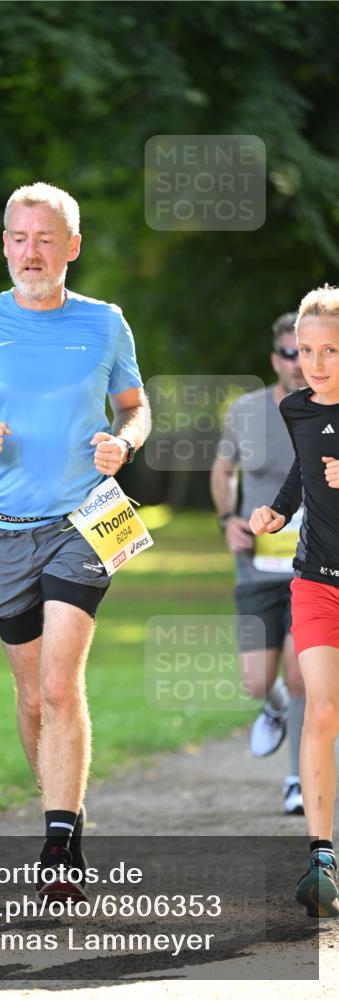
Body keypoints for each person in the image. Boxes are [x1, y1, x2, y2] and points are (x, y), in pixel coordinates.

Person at [0, 182, 149, 900]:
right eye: (18, 238)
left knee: (57, 679)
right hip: (0, 529)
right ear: (4, 244)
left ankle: (57, 844)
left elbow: (135, 409)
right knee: (29, 695)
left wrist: (123, 442)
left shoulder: (105, 324)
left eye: (44, 239)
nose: (29, 252)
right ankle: (66, 810)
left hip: (87, 520)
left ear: (71, 246)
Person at [249, 284, 339, 918]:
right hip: (316, 580)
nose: (317, 363)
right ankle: (322, 856)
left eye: (331, 350)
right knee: (321, 708)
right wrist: (278, 512)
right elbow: (303, 471)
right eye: (307, 350)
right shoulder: (296, 409)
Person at [211, 314, 307, 815]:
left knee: (300, 674)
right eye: (289, 353)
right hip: (257, 566)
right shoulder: (247, 412)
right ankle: (273, 710)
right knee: (258, 680)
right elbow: (224, 469)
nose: (298, 362)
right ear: (276, 360)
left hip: (314, 565)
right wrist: (228, 517)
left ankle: (296, 780)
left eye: (308, 351)